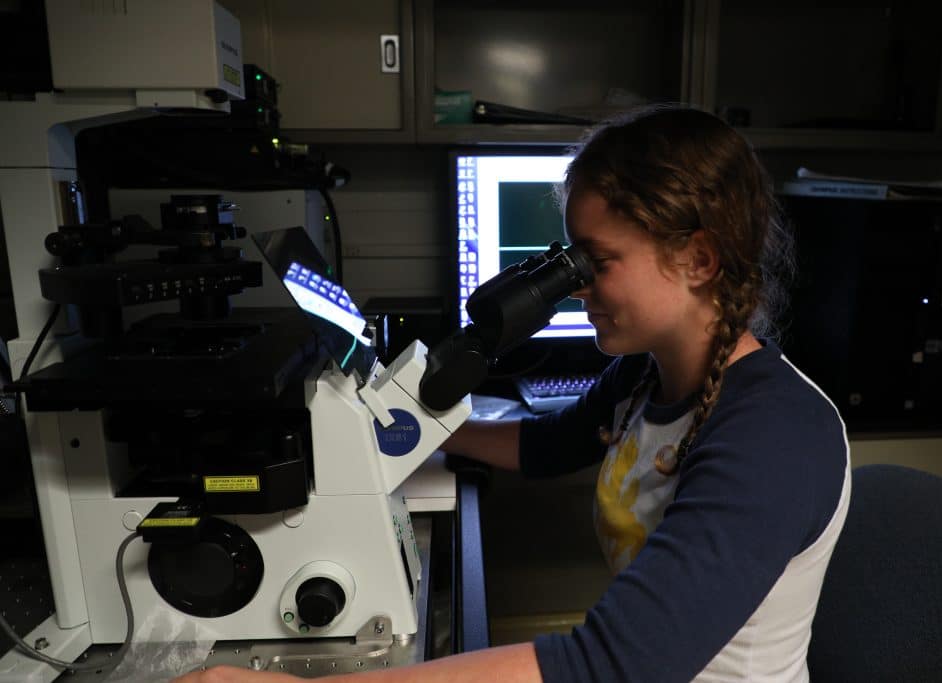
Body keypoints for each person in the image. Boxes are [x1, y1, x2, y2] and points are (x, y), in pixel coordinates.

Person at [173, 104, 850, 683]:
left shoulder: (773, 435)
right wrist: (406, 426)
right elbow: (547, 444)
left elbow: (610, 663)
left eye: (596, 261)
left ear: (699, 259)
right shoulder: (648, 375)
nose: (577, 285)